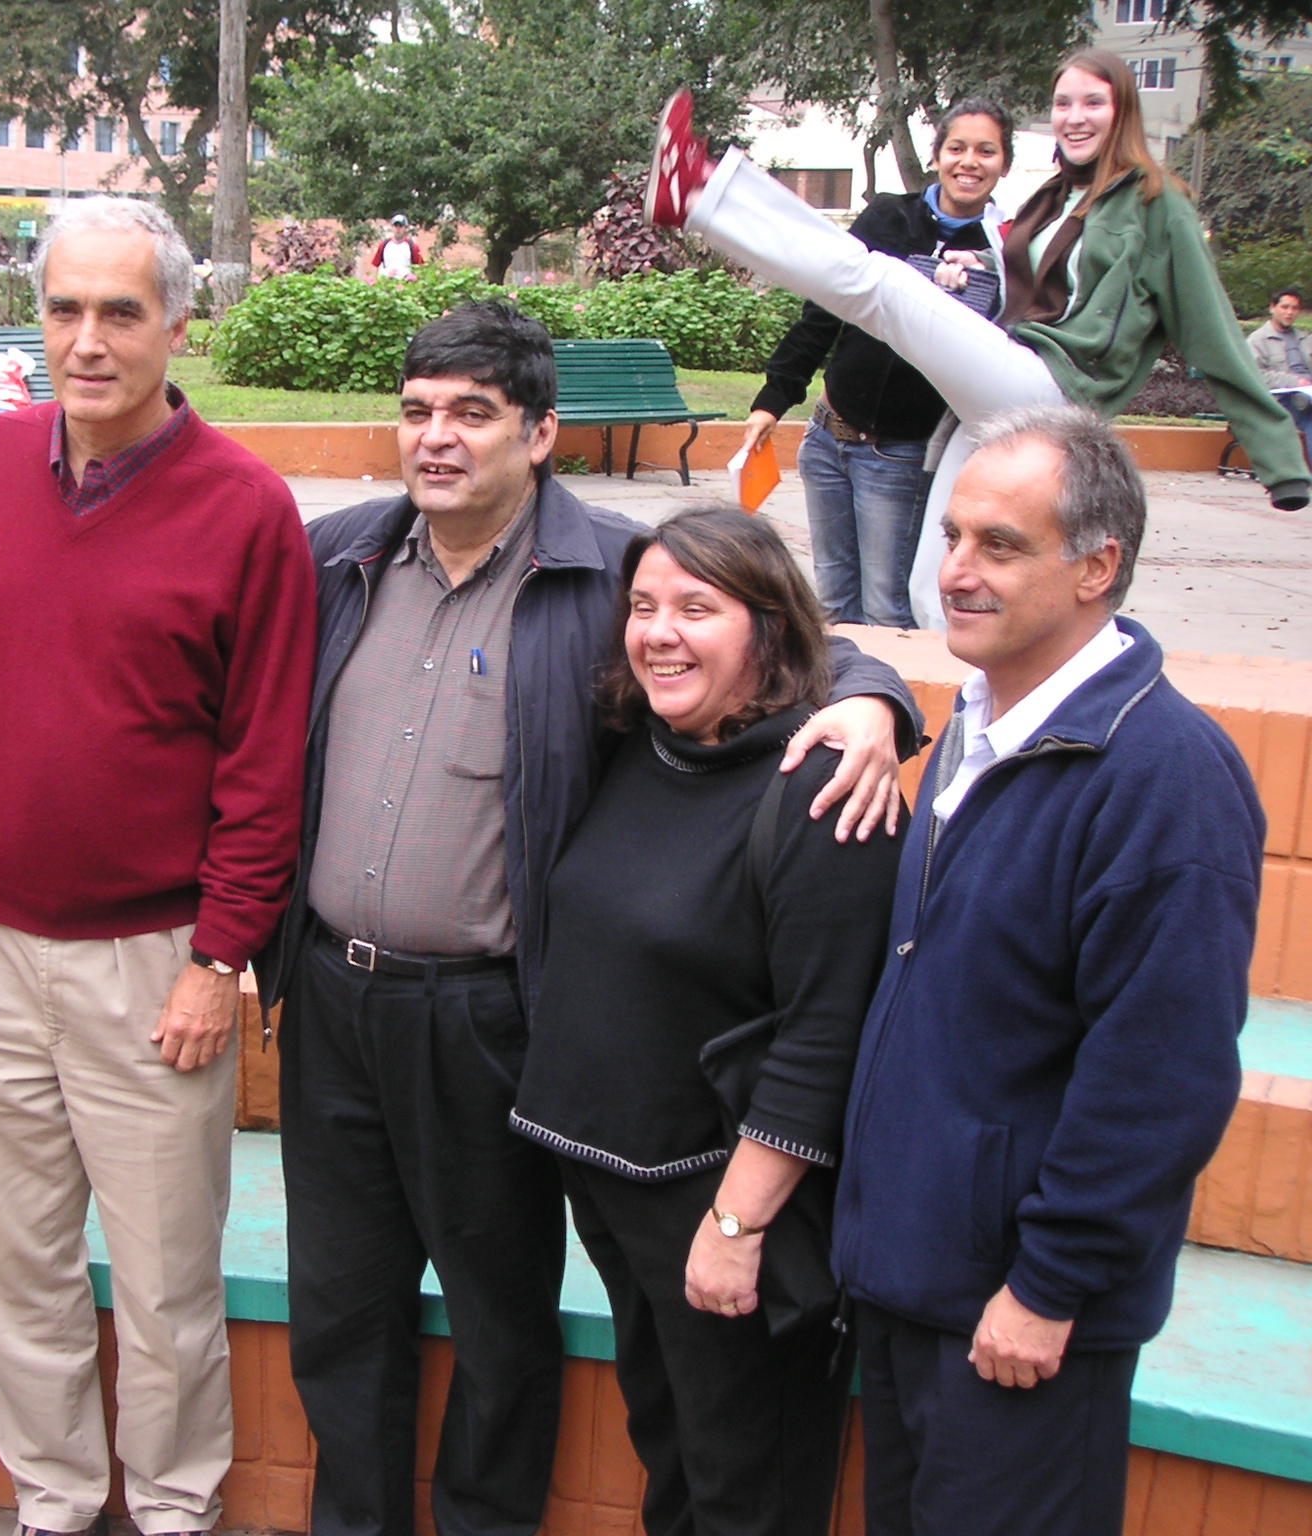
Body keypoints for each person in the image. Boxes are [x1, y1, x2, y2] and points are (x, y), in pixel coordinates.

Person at [259, 301, 921, 1536]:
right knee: (336, 1311)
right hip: (330, 1004)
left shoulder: (609, 576)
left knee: (499, 1324)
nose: (436, 439)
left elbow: (771, 632)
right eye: (415, 412)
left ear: (541, 432)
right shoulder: (334, 557)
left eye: (471, 414)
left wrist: (879, 704)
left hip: (491, 1019)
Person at [0, 195, 318, 1536]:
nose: (88, 340)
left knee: (162, 1285)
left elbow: (265, 764)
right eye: (64, 308)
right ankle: (52, 1502)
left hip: (157, 964)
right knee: (16, 1267)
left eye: (122, 312)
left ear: (177, 323)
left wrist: (222, 958)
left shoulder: (247, 509)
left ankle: (171, 1508)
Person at [832, 405, 1263, 1536]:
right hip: (913, 1281)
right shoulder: (974, 723)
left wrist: (1047, 1285)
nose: (956, 572)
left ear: (1095, 565)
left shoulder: (1163, 777)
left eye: (999, 545)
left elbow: (1159, 1075)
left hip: (1019, 1318)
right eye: (952, 537)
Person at [510, 507, 904, 1536]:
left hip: (722, 1203)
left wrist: (736, 1227)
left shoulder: (821, 787)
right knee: (674, 1457)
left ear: (765, 629)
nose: (657, 632)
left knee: (747, 1484)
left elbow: (823, 1033)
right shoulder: (638, 740)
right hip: (616, 1184)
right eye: (641, 607)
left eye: (696, 607)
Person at [645, 50, 1311, 631]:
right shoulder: (1057, 200)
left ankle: (699, 191)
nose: (1075, 115)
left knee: (882, 283)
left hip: (1055, 392)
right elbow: (1043, 293)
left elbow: (1215, 334)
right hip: (999, 403)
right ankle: (958, 727)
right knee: (936, 584)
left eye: (1093, 102)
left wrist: (1280, 460)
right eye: (1063, 103)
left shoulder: (1156, 205)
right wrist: (979, 274)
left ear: (1124, 111)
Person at [740, 100, 1012, 628]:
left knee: (888, 608)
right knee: (834, 607)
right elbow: (825, 305)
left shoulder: (1003, 252)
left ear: (1003, 162)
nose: (969, 162)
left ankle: (891, 709)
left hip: (900, 458)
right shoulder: (889, 217)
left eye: (986, 150)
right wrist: (775, 397)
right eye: (956, 148)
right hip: (827, 440)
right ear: (936, 156)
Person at [1249, 286, 1312, 465]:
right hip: (1281, 399)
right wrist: (1295, 381)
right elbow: (1256, 375)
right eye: (1285, 307)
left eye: (1294, 308)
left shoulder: (1304, 339)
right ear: (1272, 308)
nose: (1290, 312)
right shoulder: (1258, 340)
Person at [374, 215, 423, 279]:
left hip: (406, 283)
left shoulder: (412, 246)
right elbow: (376, 265)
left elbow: (420, 267)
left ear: (405, 228)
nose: (398, 229)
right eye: (395, 226)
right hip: (387, 283)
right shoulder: (383, 245)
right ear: (392, 227)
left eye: (401, 226)